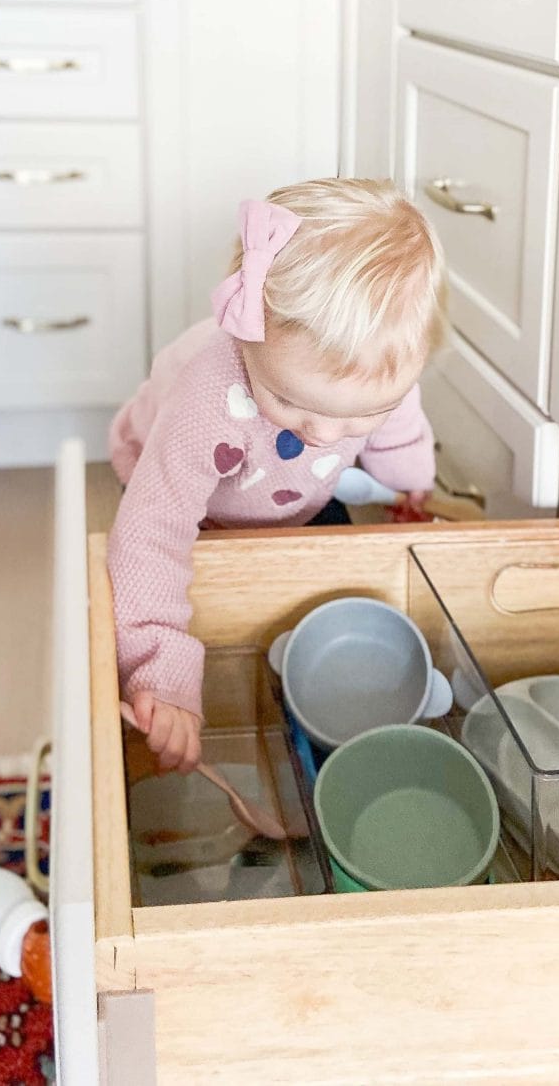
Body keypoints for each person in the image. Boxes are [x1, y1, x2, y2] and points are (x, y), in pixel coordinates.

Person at [107, 179, 445, 773]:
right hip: (182, 478)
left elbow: (398, 421)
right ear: (247, 343)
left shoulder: (381, 375)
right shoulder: (209, 400)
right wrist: (161, 669)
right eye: (292, 404)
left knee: (339, 577)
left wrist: (409, 480)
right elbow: (150, 530)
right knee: (187, 578)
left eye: (361, 414)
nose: (327, 435)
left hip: (289, 492)